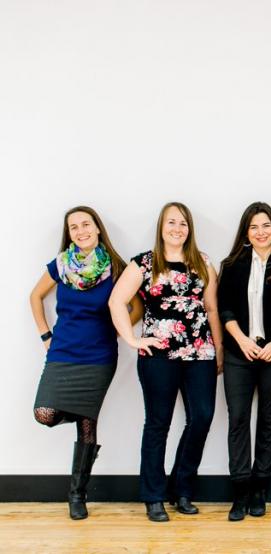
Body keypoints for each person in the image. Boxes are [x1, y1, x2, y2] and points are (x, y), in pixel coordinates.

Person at [109, 202, 224, 522]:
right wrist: (133, 340)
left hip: (200, 354)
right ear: (161, 227)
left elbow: (211, 309)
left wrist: (220, 349)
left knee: (201, 417)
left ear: (190, 229)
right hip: (158, 356)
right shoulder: (144, 263)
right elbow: (116, 301)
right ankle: (154, 496)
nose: (178, 228)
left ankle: (182, 489)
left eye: (184, 223)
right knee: (158, 423)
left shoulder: (203, 263)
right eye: (172, 222)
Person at [30, 206, 142, 520]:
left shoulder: (116, 267)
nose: (81, 231)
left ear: (97, 228)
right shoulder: (61, 265)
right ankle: (78, 488)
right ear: (70, 234)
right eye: (74, 227)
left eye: (86, 225)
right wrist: (44, 335)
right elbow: (34, 297)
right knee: (45, 414)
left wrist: (119, 328)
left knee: (87, 426)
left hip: (99, 356)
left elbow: (136, 306)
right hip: (63, 354)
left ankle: (77, 495)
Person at [218, 202, 271, 521]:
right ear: (246, 232)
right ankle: (240, 491)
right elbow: (224, 308)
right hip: (239, 353)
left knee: (269, 420)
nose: (261, 232)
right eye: (253, 227)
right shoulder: (232, 264)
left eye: (266, 226)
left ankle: (261, 488)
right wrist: (241, 339)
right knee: (238, 420)